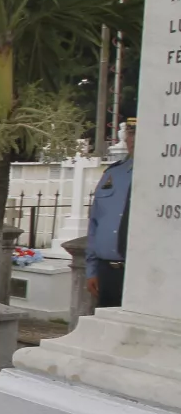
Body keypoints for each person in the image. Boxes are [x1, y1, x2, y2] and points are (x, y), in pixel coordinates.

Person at [87, 117, 135, 309]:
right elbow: (95, 224)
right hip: (107, 271)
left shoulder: (166, 176)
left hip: (142, 273)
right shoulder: (112, 174)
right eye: (130, 133)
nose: (133, 139)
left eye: (138, 133)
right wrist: (92, 270)